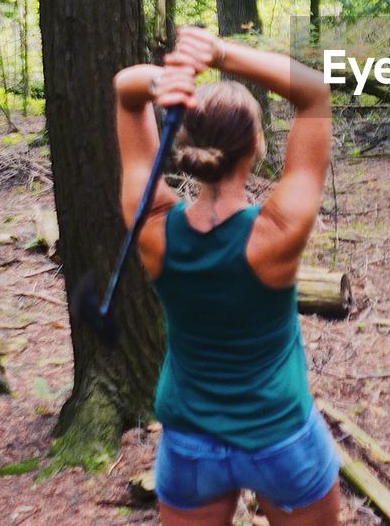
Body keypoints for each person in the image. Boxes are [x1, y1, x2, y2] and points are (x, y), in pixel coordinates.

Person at [113, 26, 340, 526]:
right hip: (280, 437)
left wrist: (162, 82)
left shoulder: (153, 229)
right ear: (256, 145)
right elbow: (314, 92)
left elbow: (124, 92)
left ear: (183, 142)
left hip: (191, 444)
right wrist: (221, 54)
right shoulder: (276, 233)